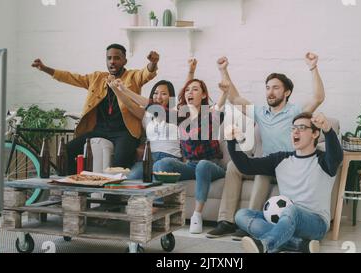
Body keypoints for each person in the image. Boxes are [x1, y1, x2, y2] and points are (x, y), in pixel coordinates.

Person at [207, 53, 327, 239]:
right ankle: (226, 221)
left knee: (262, 173)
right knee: (233, 166)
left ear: (286, 92)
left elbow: (318, 97)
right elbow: (235, 98)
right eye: (268, 88)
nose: (270, 92)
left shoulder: (296, 111)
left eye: (276, 88)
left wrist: (313, 67)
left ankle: (249, 226)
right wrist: (223, 70)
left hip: (285, 164)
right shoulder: (261, 112)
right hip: (266, 160)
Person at [31, 44, 159, 174]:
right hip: (99, 130)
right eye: (109, 58)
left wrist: (153, 63)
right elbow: (71, 77)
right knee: (66, 150)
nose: (112, 61)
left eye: (116, 58)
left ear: (124, 60)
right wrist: (45, 69)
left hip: (125, 132)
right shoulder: (97, 78)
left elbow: (146, 73)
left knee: (119, 165)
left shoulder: (132, 77)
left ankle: (112, 195)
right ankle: (73, 186)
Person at [227, 112, 343, 253]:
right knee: (242, 215)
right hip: (284, 219)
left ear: (315, 134)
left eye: (301, 127)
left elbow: (336, 156)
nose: (295, 131)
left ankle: (265, 244)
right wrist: (232, 140)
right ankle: (300, 245)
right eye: (293, 128)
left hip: (316, 223)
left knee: (291, 209)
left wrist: (327, 128)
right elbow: (246, 166)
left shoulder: (324, 161)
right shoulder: (280, 159)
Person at [153, 77, 231, 234]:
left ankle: (197, 215)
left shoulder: (210, 113)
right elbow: (151, 106)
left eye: (195, 89)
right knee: (162, 164)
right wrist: (123, 90)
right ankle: (156, 209)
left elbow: (220, 105)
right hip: (190, 164)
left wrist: (224, 92)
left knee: (202, 165)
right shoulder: (181, 116)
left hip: (212, 165)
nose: (190, 92)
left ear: (203, 95)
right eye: (188, 90)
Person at [107, 59, 199, 179]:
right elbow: (129, 104)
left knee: (159, 173)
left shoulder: (176, 113)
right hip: (149, 158)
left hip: (170, 158)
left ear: (170, 97)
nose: (158, 97)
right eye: (156, 93)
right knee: (131, 178)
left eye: (163, 94)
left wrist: (191, 71)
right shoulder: (146, 114)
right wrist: (114, 89)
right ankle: (137, 198)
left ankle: (153, 196)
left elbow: (186, 95)